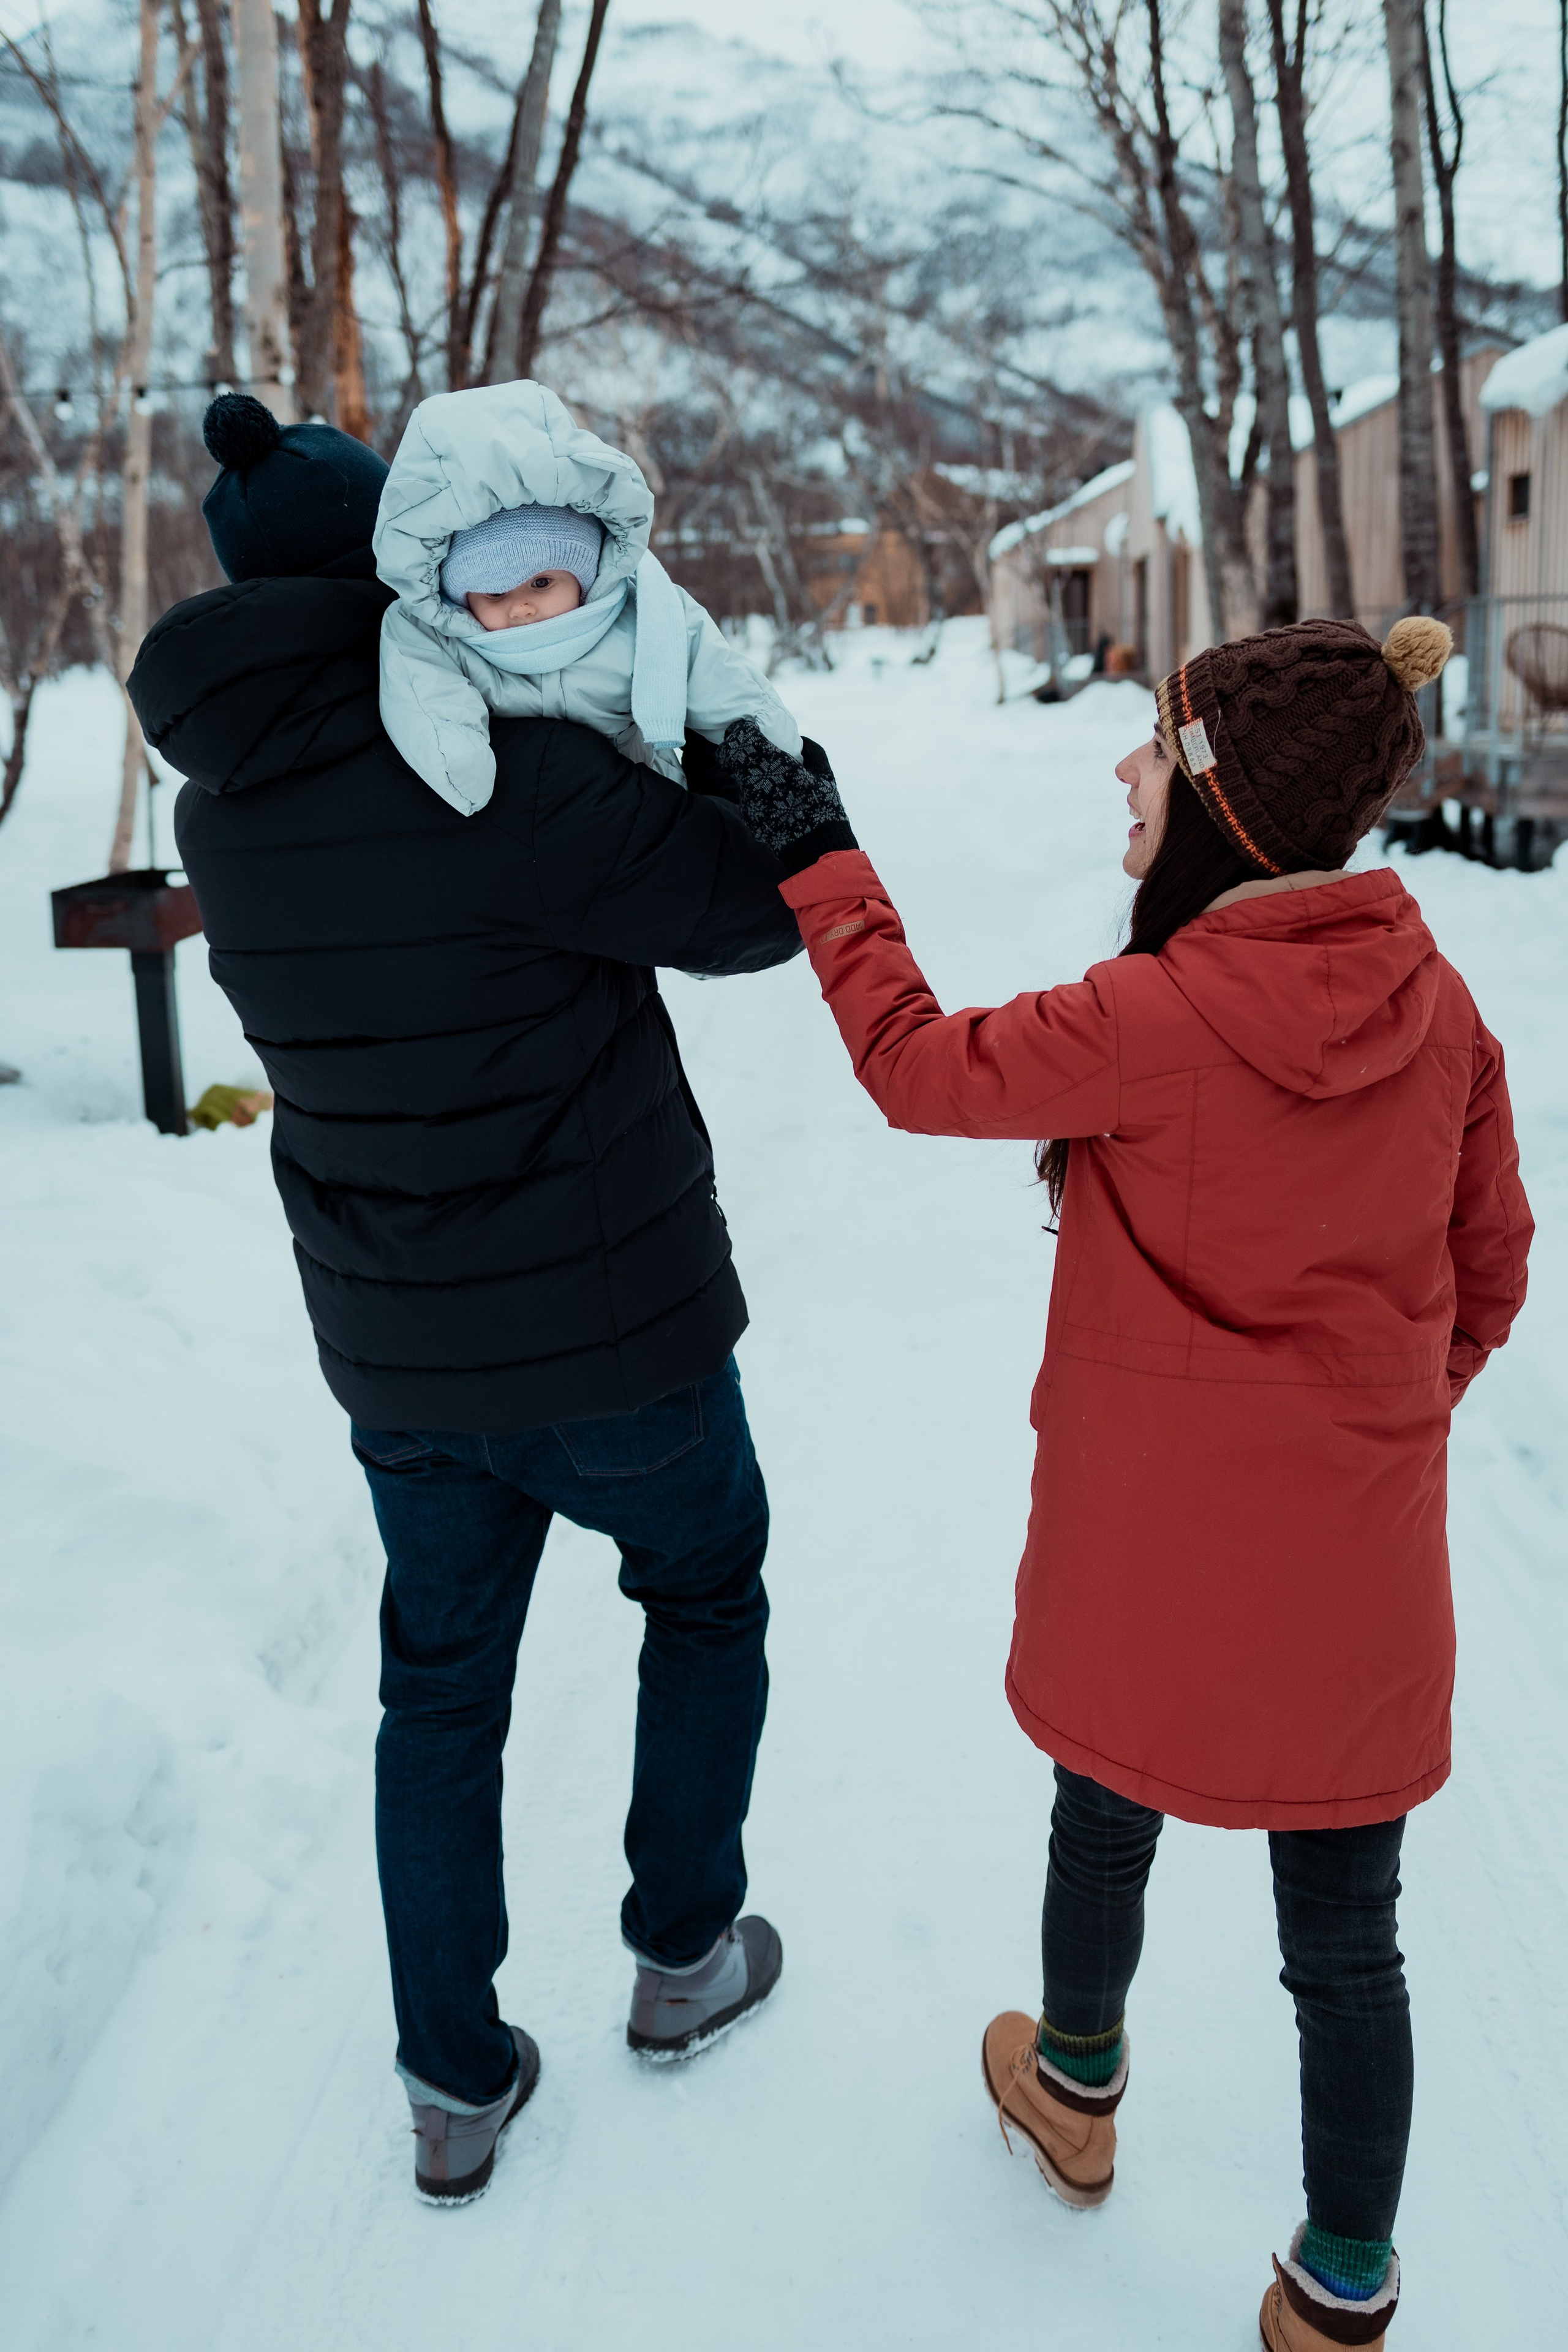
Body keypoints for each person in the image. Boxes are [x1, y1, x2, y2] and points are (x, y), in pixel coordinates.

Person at [714, 620, 1531, 2350]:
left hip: (1144, 1550)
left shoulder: (1153, 1016)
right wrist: (1385, 1410)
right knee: (1348, 1940)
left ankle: (1075, 2092)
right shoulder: (1443, 1010)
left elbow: (913, 1066)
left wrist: (820, 859)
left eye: (1154, 749)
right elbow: (1495, 1267)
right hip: (1356, 1568)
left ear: (1227, 809)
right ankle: (1343, 2290)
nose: (1122, 771)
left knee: (1106, 1810)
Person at [128, 394, 832, 2205]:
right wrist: (732, 725)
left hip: (396, 1342)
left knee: (436, 1690)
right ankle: (683, 1956)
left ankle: (453, 2079)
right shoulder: (496, 762)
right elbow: (765, 905)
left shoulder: (220, 816)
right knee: (705, 1585)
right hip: (624, 1325)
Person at [372, 379, 803, 816]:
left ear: (584, 575)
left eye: (541, 583)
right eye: (496, 593)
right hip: (525, 820)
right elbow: (427, 692)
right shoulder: (445, 640)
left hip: (653, 811)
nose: (521, 608)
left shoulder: (643, 615)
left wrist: (766, 741)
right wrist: (457, 759)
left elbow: (712, 672)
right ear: (460, 598)